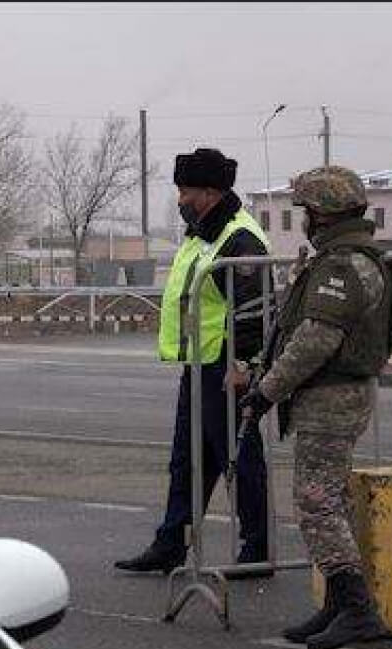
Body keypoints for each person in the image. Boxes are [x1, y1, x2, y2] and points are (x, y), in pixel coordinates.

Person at [238, 166, 387, 649]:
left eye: (306, 210)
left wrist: (267, 391)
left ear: (322, 213)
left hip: (330, 398)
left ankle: (357, 608)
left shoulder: (343, 266)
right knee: (330, 500)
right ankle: (338, 605)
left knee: (317, 502)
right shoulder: (350, 258)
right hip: (335, 396)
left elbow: (314, 341)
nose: (303, 219)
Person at [115, 148, 271, 576]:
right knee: (188, 459)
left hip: (227, 366)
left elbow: (254, 311)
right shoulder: (202, 232)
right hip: (201, 363)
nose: (180, 199)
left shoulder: (239, 238)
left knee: (238, 458)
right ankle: (171, 543)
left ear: (208, 192)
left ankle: (258, 548)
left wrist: (243, 367)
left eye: (185, 191)